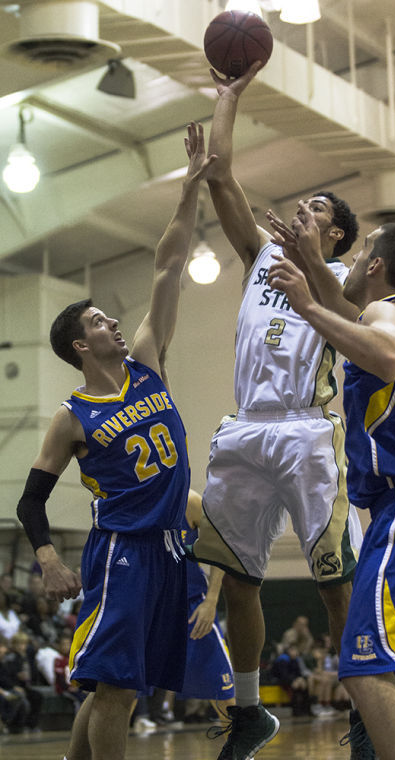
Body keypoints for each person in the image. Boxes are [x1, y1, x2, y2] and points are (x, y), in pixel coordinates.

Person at [15, 122, 216, 760]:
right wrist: (48, 560)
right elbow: (29, 502)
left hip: (173, 548)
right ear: (81, 345)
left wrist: (189, 192)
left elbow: (168, 265)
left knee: (115, 688)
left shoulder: (148, 365)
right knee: (116, 691)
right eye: (100, 320)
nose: (113, 323)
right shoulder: (72, 416)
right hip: (122, 552)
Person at [189, 62, 366, 760]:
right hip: (246, 428)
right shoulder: (261, 256)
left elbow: (351, 319)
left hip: (307, 431)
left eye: (320, 210)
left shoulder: (344, 275)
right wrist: (228, 96)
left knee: (331, 584)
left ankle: (367, 703)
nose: (304, 210)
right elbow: (221, 177)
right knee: (239, 580)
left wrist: (309, 266)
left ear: (337, 236)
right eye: (305, 204)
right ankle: (248, 711)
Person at [267, 219, 395, 759]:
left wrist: (307, 306)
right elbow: (345, 310)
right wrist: (311, 261)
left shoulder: (393, 312)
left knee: (363, 667)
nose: (352, 262)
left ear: (376, 266)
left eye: (359, 253)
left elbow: (383, 355)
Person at [177, 489, 235, 723]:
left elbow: (220, 545)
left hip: (192, 606)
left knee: (223, 690)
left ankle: (240, 752)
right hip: (150, 608)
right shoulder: (135, 497)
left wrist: (211, 601)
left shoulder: (189, 501)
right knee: (120, 692)